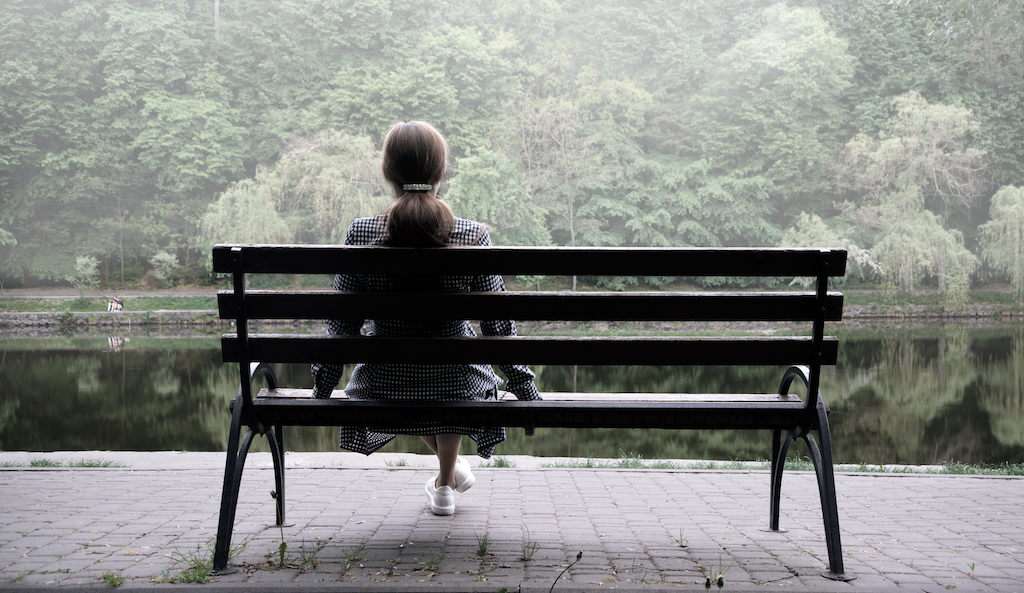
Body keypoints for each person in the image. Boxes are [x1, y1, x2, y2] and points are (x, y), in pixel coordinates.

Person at [311, 121, 541, 516]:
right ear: (440, 171)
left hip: (385, 381)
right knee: (451, 366)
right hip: (459, 379)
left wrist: (322, 387)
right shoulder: (471, 235)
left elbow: (341, 326)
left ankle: (446, 481)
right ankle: (446, 482)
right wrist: (524, 388)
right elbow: (499, 329)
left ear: (388, 172)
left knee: (421, 378)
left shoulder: (362, 232)